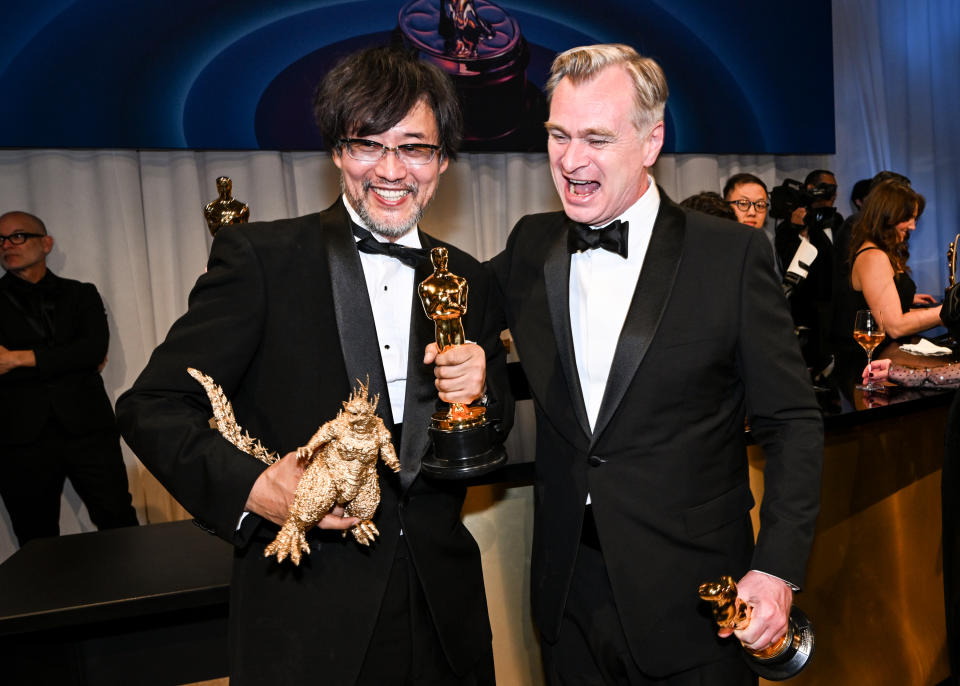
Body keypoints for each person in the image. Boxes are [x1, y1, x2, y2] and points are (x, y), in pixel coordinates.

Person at [116, 46, 511, 686]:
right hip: (306, 618)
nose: (392, 169)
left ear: (441, 163)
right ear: (335, 151)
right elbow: (150, 406)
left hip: (445, 615)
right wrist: (254, 487)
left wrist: (483, 394)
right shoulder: (262, 259)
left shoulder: (468, 277)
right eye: (368, 144)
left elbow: (486, 431)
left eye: (415, 147)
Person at [490, 43, 823, 685]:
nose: (570, 159)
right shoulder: (531, 243)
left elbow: (792, 422)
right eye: (558, 134)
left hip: (698, 599)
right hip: (568, 597)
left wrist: (777, 569)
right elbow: (448, 307)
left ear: (651, 141)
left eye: (596, 137)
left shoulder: (731, 257)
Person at [0, 211, 138, 546]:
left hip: (89, 429)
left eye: (18, 236)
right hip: (19, 437)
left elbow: (92, 352)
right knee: (35, 539)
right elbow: (80, 357)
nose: (7, 245)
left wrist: (18, 358)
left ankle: (139, 595)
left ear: (45, 243)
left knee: (119, 521)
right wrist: (67, 358)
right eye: (1, 240)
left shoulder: (81, 294)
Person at [844, 180, 940, 342]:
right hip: (873, 360)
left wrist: (940, 313)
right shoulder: (873, 257)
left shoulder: (880, 252)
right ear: (888, 215)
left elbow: (896, 314)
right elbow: (895, 327)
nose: (912, 227)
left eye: (914, 219)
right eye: (908, 218)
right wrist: (944, 312)